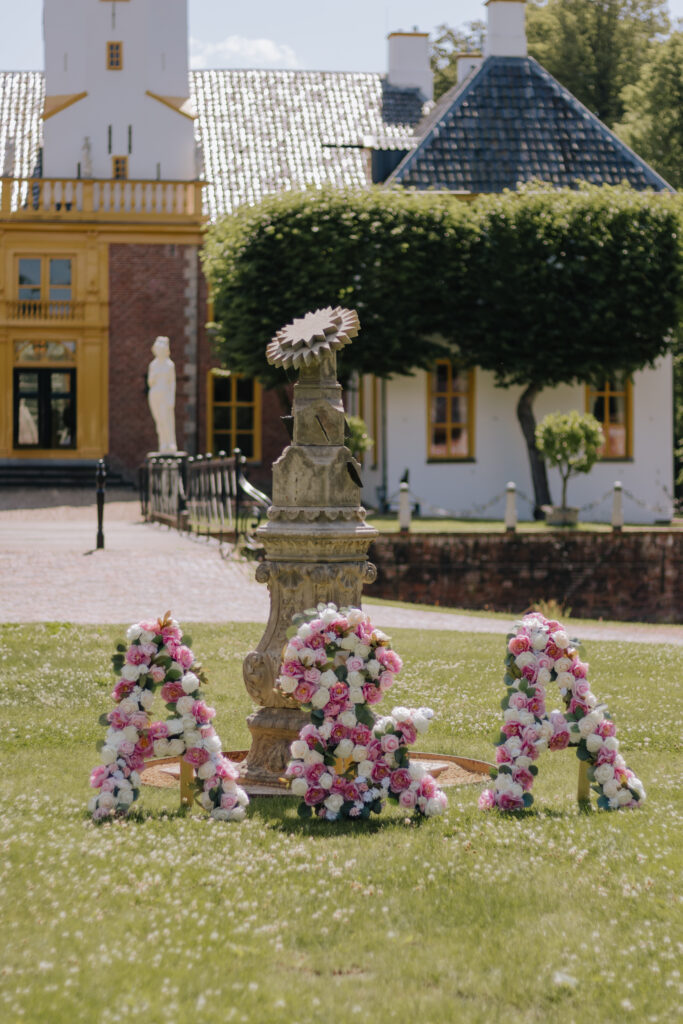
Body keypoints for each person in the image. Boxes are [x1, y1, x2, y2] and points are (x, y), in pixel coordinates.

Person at [147, 336, 177, 452]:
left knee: (166, 419)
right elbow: (150, 382)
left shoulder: (169, 365)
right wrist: (154, 375)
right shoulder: (153, 365)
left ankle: (170, 443)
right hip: (155, 394)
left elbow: (172, 383)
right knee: (159, 420)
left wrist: (171, 399)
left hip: (165, 393)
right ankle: (163, 443)